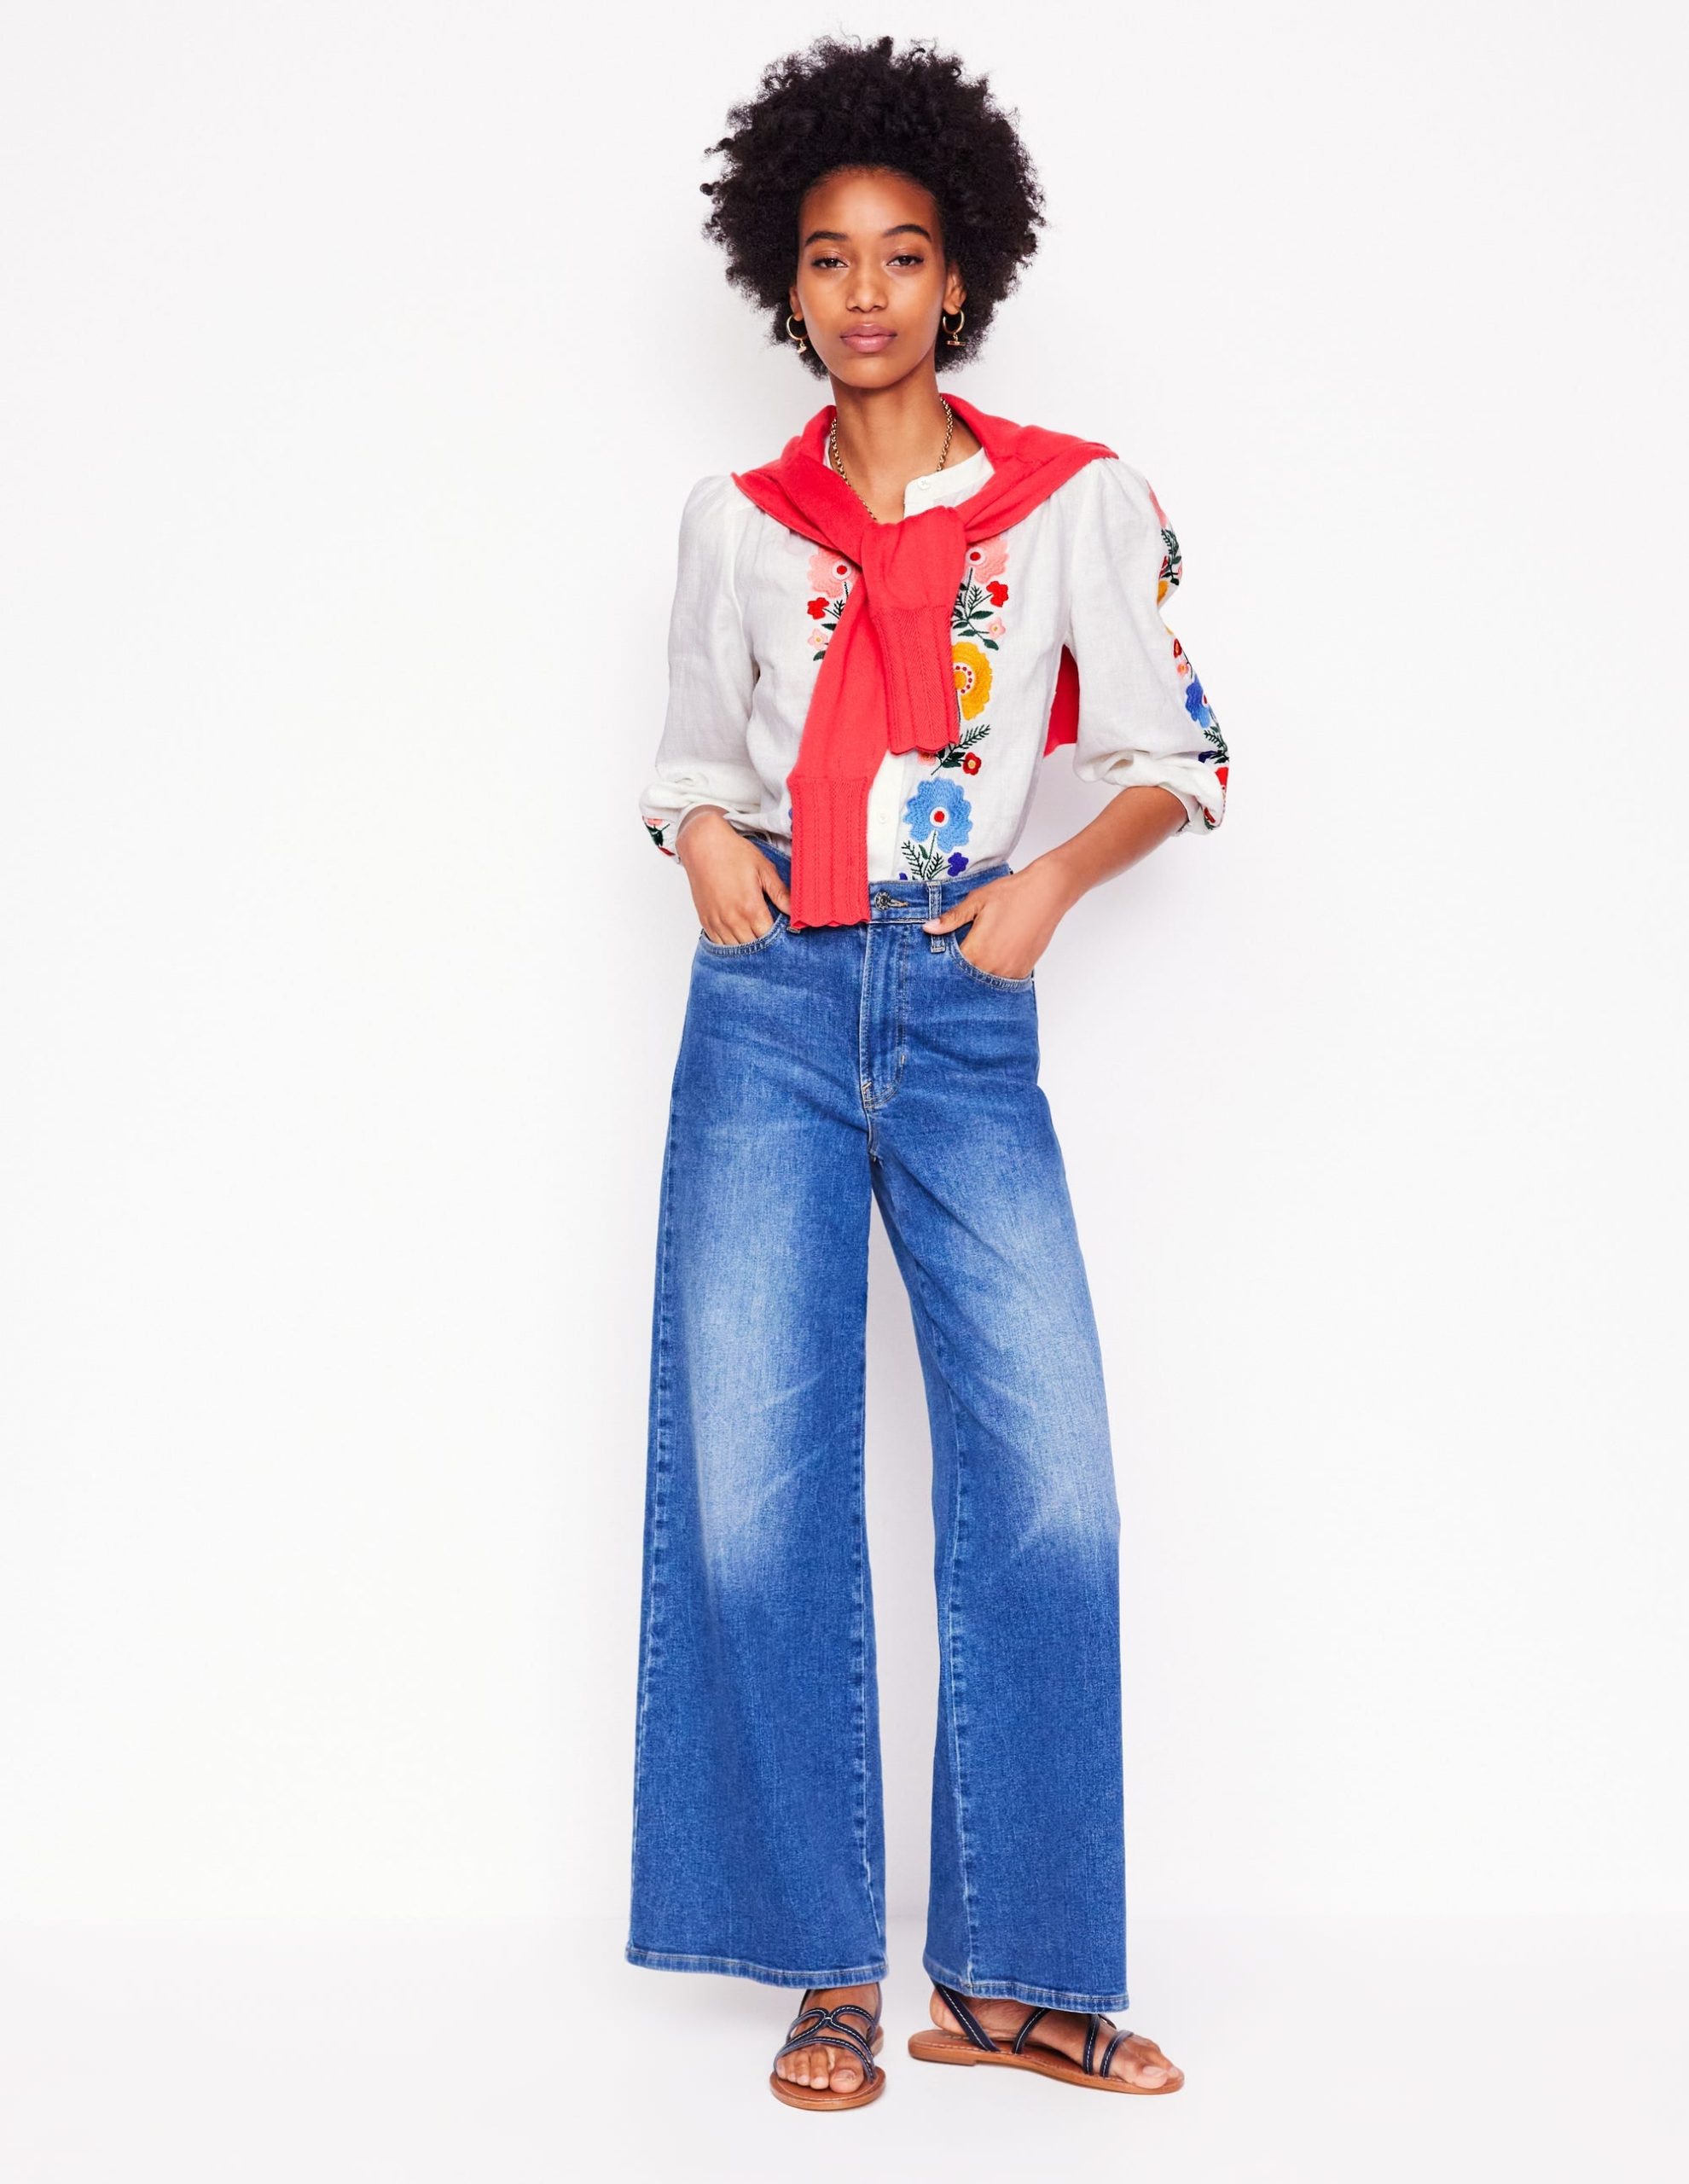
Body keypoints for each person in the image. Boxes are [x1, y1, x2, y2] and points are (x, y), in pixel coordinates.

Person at [627, 34, 1226, 2111]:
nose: (865, 290)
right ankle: (823, 1964)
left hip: (965, 1000)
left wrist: (1048, 883)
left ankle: (1019, 1972)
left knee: (1049, 1483)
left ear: (962, 276)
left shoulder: (1073, 502)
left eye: (902, 253)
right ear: (782, 282)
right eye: (827, 255)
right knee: (757, 1497)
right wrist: (704, 845)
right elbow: (691, 759)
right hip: (770, 1005)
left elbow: (1175, 752)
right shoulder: (736, 523)